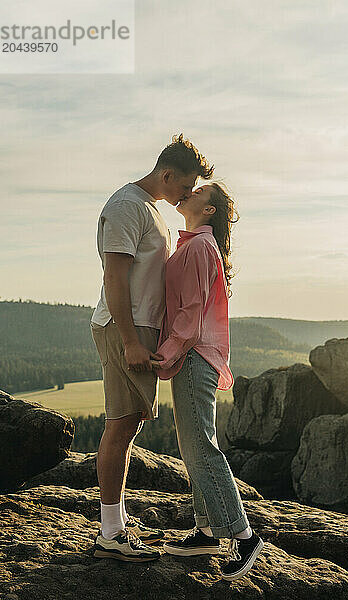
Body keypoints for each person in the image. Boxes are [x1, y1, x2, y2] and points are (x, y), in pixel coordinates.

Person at [90, 134, 214, 562]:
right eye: (185, 186)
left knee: (130, 424)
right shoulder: (126, 206)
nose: (186, 194)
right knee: (122, 424)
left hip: (142, 330)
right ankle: (111, 533)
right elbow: (114, 277)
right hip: (126, 328)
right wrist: (128, 340)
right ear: (166, 174)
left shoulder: (150, 210)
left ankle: (116, 523)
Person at [153, 182, 264, 581]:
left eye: (198, 191)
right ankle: (205, 531)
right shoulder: (193, 244)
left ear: (209, 210)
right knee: (193, 444)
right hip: (193, 355)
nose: (188, 191)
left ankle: (243, 535)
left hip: (193, 355)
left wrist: (164, 353)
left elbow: (192, 313)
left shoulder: (199, 247)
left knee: (200, 444)